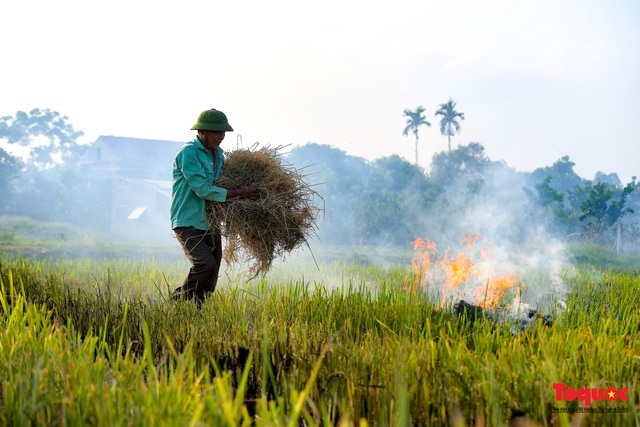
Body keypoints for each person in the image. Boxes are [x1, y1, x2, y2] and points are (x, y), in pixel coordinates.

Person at [170, 108, 258, 304]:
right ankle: (176, 301)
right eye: (217, 132)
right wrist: (240, 193)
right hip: (188, 221)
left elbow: (221, 186)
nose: (222, 136)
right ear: (202, 132)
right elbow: (202, 189)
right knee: (204, 264)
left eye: (224, 132)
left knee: (212, 275)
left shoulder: (219, 154)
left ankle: (197, 311)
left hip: (211, 222)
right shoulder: (188, 153)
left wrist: (245, 198)